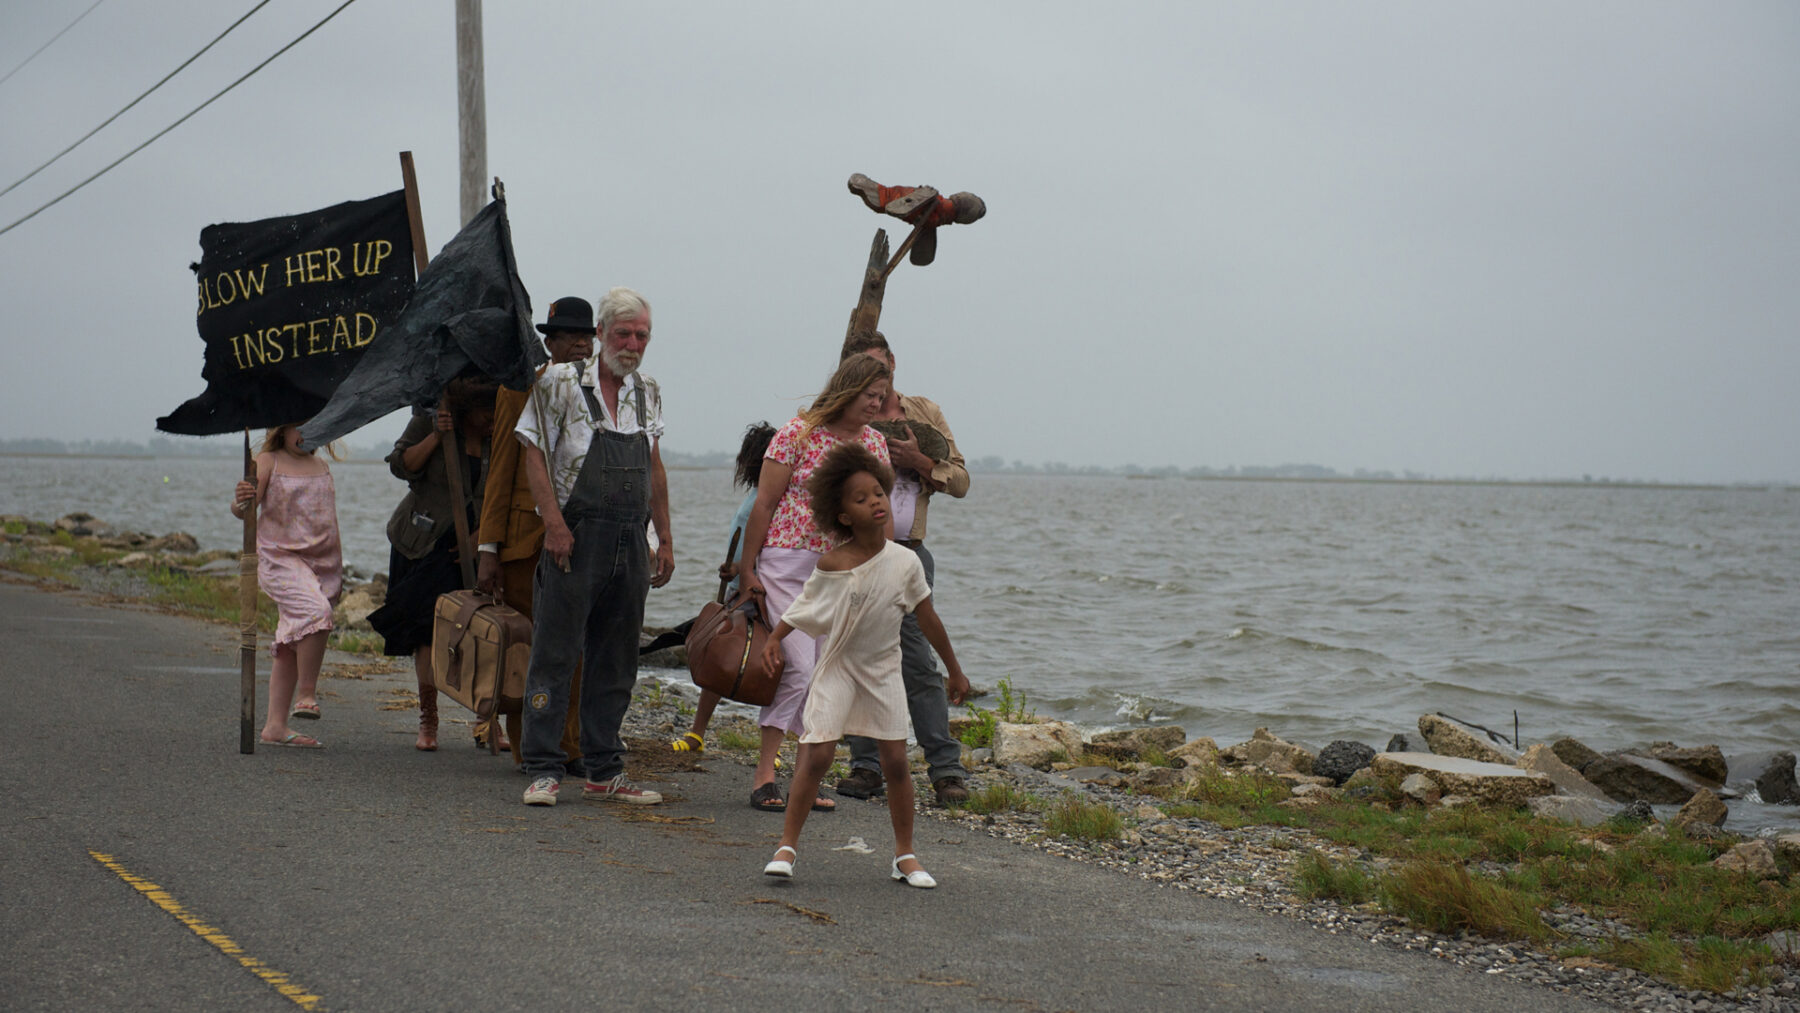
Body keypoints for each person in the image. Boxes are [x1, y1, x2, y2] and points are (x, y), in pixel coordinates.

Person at [759, 443, 970, 887]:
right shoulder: (833, 563)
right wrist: (775, 640)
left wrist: (954, 669)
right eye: (861, 498)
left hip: (882, 671)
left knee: (895, 761)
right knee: (816, 755)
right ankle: (786, 846)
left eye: (878, 492)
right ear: (842, 516)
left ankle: (905, 856)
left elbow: (927, 617)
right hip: (837, 668)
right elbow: (803, 608)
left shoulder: (906, 562)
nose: (875, 501)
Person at [517, 287, 674, 807]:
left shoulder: (648, 390)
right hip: (575, 535)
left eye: (641, 335)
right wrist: (555, 526)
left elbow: (654, 467)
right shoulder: (558, 382)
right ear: (601, 334)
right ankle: (541, 767)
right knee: (555, 653)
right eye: (624, 333)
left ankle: (604, 769)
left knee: (617, 658)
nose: (632, 343)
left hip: (631, 537)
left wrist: (664, 538)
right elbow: (534, 456)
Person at [738, 354, 893, 813]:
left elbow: (876, 514)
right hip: (786, 562)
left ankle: (806, 779)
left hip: (843, 570)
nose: (876, 404)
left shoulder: (876, 447)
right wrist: (747, 571)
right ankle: (765, 775)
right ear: (848, 389)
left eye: (881, 397)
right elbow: (763, 504)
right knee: (799, 667)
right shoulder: (797, 433)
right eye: (870, 395)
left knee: (826, 677)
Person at [833, 332, 975, 807]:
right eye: (864, 375)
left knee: (915, 659)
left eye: (881, 370)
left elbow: (961, 481)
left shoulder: (924, 412)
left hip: (910, 550)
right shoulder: (848, 416)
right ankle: (866, 765)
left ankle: (945, 769)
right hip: (857, 550)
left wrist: (920, 461)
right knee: (860, 654)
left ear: (893, 363)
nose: (875, 384)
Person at [475, 296, 596, 769]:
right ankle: (529, 747)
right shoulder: (522, 388)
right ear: (550, 342)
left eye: (585, 336)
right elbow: (501, 471)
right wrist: (489, 549)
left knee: (580, 649)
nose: (579, 344)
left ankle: (572, 745)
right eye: (569, 336)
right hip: (525, 542)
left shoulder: (603, 392)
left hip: (586, 538)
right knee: (533, 648)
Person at [367, 376, 497, 751]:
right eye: (485, 412)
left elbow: (504, 489)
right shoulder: (431, 417)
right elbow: (401, 465)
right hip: (422, 542)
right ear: (466, 410)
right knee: (425, 630)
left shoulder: (499, 432)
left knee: (482, 627)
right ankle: (429, 715)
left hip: (474, 544)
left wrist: (483, 538)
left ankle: (487, 718)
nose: (491, 419)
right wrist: (438, 437)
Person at [231, 422, 343, 749]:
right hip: (281, 558)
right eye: (300, 427)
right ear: (283, 428)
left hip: (323, 559)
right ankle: (307, 694)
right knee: (315, 612)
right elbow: (242, 511)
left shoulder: (320, 465)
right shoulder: (269, 461)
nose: (306, 434)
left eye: (315, 425)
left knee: (293, 639)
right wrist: (240, 500)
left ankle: (274, 726)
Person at [670, 421, 777, 754]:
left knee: (770, 667)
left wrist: (743, 569)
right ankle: (697, 733)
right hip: (741, 587)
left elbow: (775, 549)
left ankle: (766, 749)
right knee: (721, 654)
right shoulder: (759, 494)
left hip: (761, 590)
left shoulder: (770, 496)